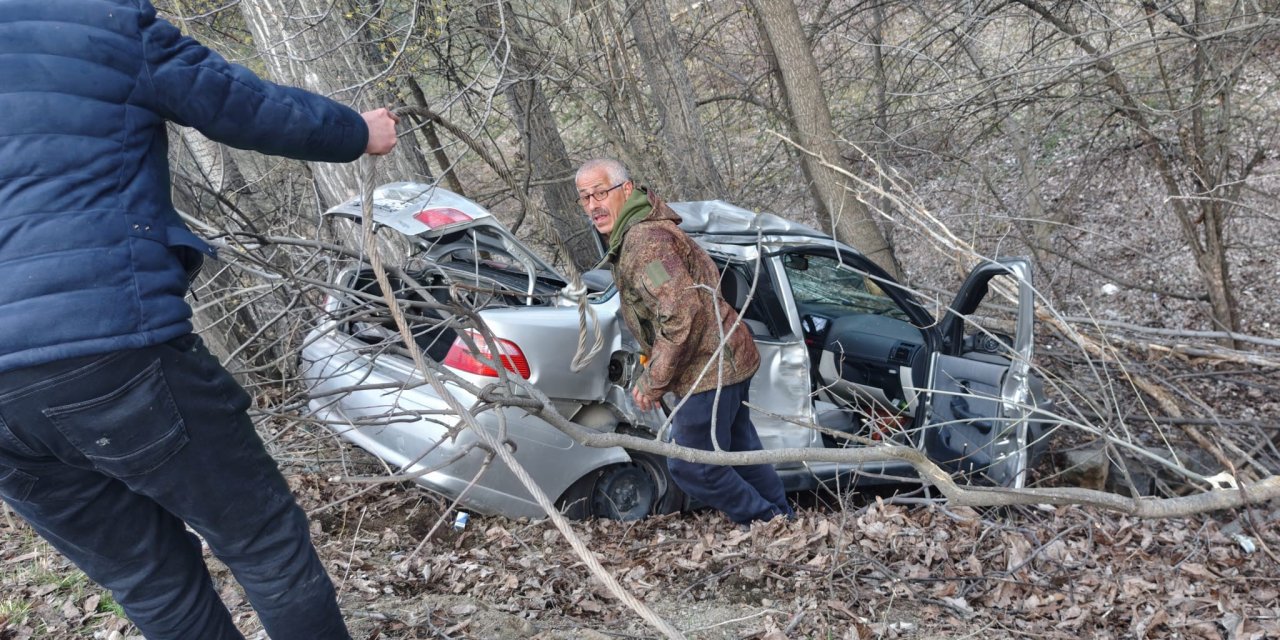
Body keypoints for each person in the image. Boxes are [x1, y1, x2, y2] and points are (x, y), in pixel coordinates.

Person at [0, 1, 399, 638]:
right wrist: (354, 130)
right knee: (264, 545)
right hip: (109, 346)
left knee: (151, 583)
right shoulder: (99, 22)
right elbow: (243, 104)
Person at [575, 159, 794, 525]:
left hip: (708, 368)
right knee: (740, 451)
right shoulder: (639, 233)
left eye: (600, 193)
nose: (593, 205)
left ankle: (764, 520)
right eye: (584, 198)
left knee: (693, 467)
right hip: (724, 357)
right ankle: (781, 522)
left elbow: (680, 312)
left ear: (626, 190)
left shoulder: (646, 244)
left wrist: (654, 379)